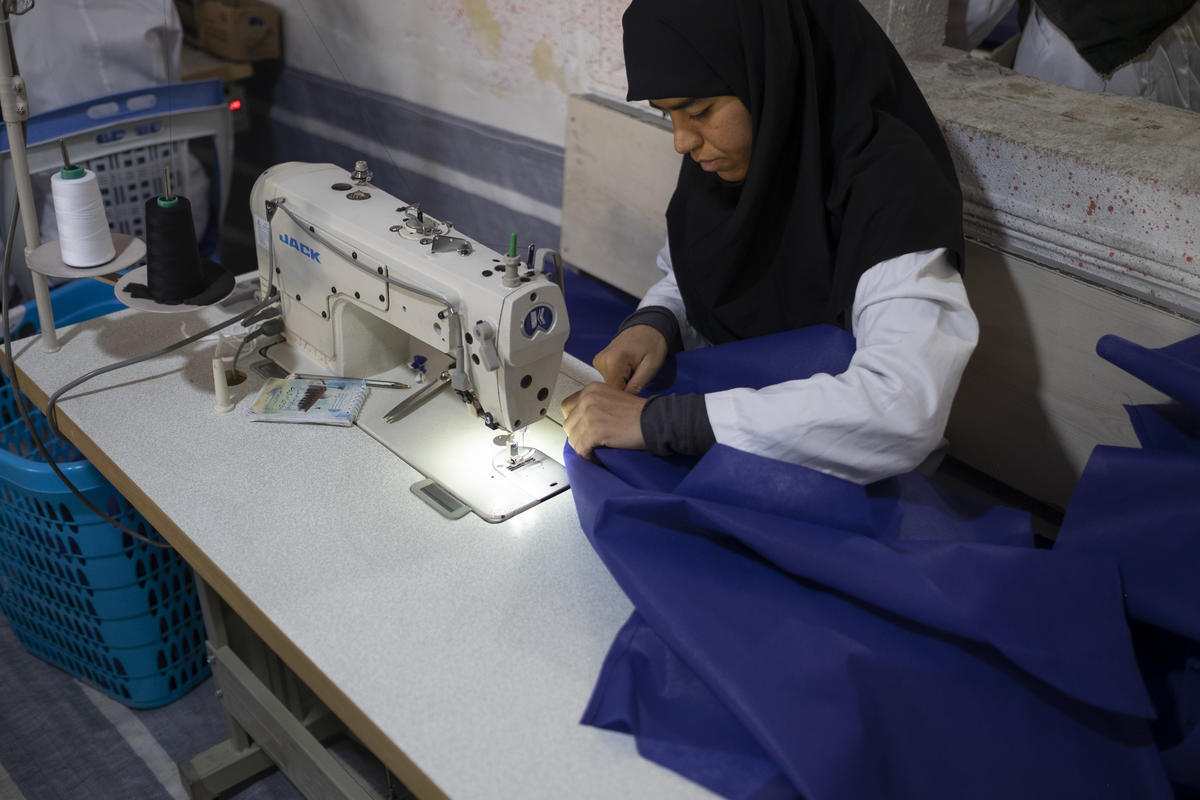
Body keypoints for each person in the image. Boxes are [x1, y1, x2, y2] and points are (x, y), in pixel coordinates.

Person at [561, 0, 980, 485]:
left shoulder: (894, 188)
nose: (681, 141)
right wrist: (658, 322)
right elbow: (694, 270)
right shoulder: (739, 155)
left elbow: (902, 408)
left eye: (697, 111)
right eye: (668, 115)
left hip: (848, 482)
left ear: (771, 74)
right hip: (725, 426)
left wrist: (666, 422)